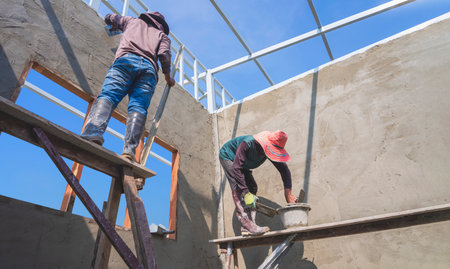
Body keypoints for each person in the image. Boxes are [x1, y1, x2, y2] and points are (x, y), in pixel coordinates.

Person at [81, 11, 175, 161]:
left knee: (109, 95)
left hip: (126, 60)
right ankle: (129, 151)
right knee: (138, 107)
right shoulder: (162, 36)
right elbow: (164, 55)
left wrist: (111, 20)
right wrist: (168, 76)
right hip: (149, 71)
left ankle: (93, 133)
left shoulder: (131, 21)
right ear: (161, 25)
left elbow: (110, 18)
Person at [219, 130, 298, 236]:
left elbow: (284, 170)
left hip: (242, 163)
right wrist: (246, 194)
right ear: (263, 144)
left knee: (252, 187)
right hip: (229, 157)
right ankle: (247, 223)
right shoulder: (247, 144)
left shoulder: (268, 152)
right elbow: (237, 168)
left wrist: (288, 194)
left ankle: (248, 226)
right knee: (238, 187)